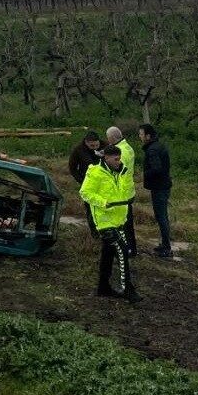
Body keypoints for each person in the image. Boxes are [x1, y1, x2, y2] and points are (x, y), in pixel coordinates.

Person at [80, 145, 140, 303]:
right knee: (122, 252)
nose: (118, 161)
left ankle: (103, 287)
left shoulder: (120, 171)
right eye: (115, 159)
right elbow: (85, 193)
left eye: (119, 158)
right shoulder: (96, 172)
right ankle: (128, 289)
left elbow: (122, 191)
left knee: (107, 255)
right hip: (104, 223)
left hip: (119, 220)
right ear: (106, 158)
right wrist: (103, 203)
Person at [139, 123, 173, 258]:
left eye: (141, 134)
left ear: (148, 136)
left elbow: (157, 168)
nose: (139, 136)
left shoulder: (152, 150)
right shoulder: (158, 145)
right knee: (163, 216)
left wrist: (145, 175)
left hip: (159, 187)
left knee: (161, 217)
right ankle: (165, 244)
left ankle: (166, 247)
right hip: (164, 185)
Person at [106, 126, 137, 256]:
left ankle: (128, 249)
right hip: (128, 189)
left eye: (108, 138)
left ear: (112, 138)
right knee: (127, 222)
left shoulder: (120, 151)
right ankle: (130, 247)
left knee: (125, 223)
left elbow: (116, 169)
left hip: (122, 192)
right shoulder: (127, 147)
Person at [68, 130, 102, 235]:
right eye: (92, 145)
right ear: (86, 142)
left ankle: (105, 230)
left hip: (104, 183)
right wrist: (81, 180)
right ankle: (94, 233)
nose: (95, 147)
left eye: (97, 145)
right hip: (88, 183)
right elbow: (72, 167)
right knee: (91, 209)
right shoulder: (78, 150)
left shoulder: (105, 145)